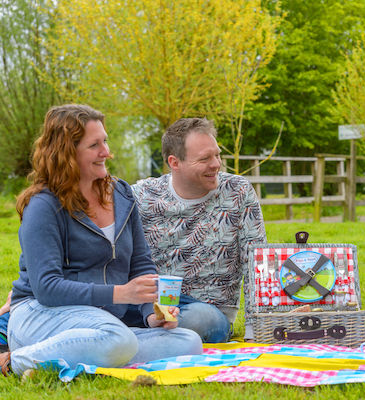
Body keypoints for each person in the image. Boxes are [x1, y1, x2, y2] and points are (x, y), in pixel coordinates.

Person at [0, 104, 202, 377]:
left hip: (103, 321)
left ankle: (77, 356)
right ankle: (16, 361)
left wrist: (150, 314)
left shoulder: (121, 194)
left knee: (189, 342)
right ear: (67, 153)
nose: (106, 151)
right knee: (119, 339)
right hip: (41, 314)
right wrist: (120, 294)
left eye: (105, 141)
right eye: (94, 145)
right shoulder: (44, 206)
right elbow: (47, 288)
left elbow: (141, 265)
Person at [131, 117, 266, 342]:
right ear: (175, 163)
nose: (216, 164)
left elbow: (256, 263)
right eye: (205, 159)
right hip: (149, 306)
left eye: (217, 155)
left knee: (203, 320)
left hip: (207, 310)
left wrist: (253, 330)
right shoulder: (143, 195)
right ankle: (146, 332)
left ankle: (132, 336)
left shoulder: (237, 192)